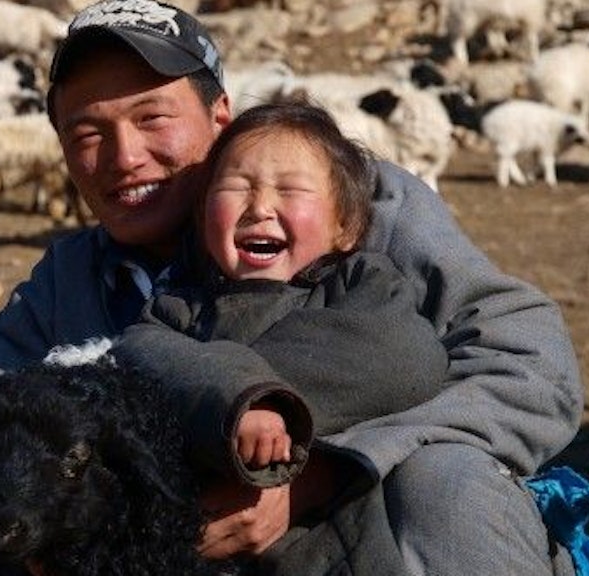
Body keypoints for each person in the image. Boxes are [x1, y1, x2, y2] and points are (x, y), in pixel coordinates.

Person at [0, 1, 584, 574]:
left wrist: (326, 471)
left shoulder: (348, 206)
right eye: (88, 133)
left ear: (219, 117)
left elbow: (527, 362)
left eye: (152, 118)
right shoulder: (72, 283)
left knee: (447, 482)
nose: (125, 157)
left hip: (387, 544)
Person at [110, 101, 451, 492]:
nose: (260, 207)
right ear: (203, 219)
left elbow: (405, 357)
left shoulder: (361, 283)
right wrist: (231, 394)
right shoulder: (178, 309)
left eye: (290, 190)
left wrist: (262, 399)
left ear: (347, 226)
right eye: (237, 187)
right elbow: (139, 353)